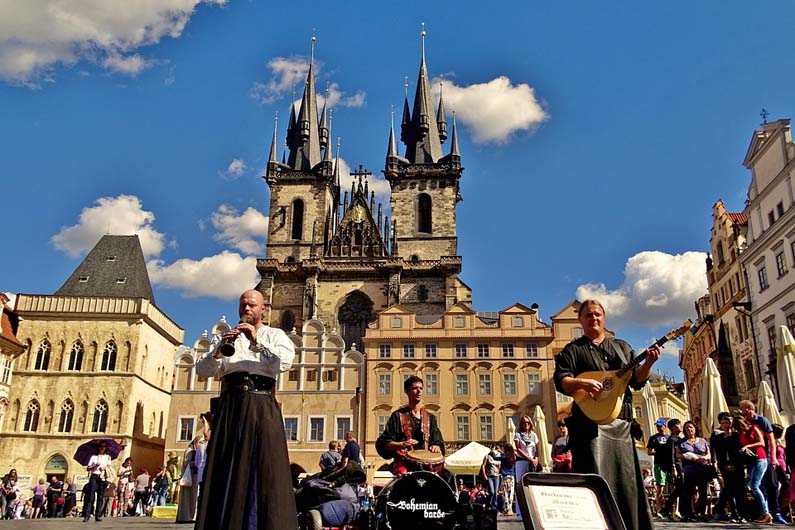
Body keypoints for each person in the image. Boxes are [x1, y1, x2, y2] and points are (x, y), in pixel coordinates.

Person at [195, 289, 297, 530]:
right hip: (231, 405)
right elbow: (202, 370)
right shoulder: (227, 336)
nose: (247, 309)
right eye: (243, 305)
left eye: (252, 305)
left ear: (263, 309)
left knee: (265, 465)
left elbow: (282, 363)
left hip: (261, 403)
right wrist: (219, 350)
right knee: (224, 465)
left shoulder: (275, 335)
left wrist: (256, 341)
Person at [553, 299, 659, 530]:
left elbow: (637, 382)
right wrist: (582, 382)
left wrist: (648, 363)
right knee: (595, 478)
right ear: (580, 320)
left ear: (604, 317)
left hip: (621, 424)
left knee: (626, 483)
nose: (594, 318)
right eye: (589, 315)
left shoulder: (621, 348)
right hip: (589, 426)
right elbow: (562, 381)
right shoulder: (573, 350)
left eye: (598, 314)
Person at [375, 375, 446, 470]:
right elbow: (383, 444)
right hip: (405, 464)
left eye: (421, 388)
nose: (419, 391)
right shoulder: (398, 416)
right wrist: (402, 444)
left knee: (449, 477)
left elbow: (438, 442)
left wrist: (436, 446)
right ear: (407, 391)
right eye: (415, 388)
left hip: (427, 467)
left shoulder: (430, 418)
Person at [740, 399, 785, 523]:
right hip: (752, 458)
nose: (741, 411)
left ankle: (776, 512)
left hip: (765, 456)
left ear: (749, 408)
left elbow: (771, 440)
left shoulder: (761, 420)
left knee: (771, 485)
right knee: (759, 486)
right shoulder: (745, 422)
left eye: (742, 408)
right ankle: (764, 512)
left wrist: (774, 458)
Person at [735, 414, 771, 523]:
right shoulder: (740, 434)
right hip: (751, 461)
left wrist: (747, 446)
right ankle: (764, 513)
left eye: (741, 424)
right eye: (737, 426)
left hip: (760, 458)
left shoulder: (754, 428)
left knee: (754, 486)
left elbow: (762, 442)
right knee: (757, 486)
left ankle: (765, 513)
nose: (740, 427)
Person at [675, 420, 712, 522]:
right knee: (688, 492)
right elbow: (677, 454)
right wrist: (688, 457)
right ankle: (687, 513)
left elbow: (709, 454)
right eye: (687, 428)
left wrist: (704, 458)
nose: (689, 429)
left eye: (691, 427)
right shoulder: (681, 442)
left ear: (695, 429)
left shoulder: (703, 441)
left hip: (702, 469)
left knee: (703, 492)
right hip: (689, 470)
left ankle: (701, 513)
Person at [710, 412, 744, 522]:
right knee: (729, 490)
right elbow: (714, 451)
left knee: (739, 490)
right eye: (723, 423)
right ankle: (734, 514)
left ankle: (742, 514)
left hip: (737, 465)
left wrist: (735, 464)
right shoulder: (718, 437)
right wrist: (716, 462)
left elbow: (739, 452)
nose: (725, 425)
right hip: (724, 466)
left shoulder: (736, 436)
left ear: (731, 424)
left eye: (727, 423)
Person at [646, 418, 670, 517]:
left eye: (660, 425)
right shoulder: (653, 438)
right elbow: (649, 451)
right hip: (659, 465)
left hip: (669, 465)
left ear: (665, 426)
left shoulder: (670, 438)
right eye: (657, 426)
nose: (659, 428)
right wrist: (659, 452)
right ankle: (660, 509)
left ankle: (673, 510)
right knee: (660, 487)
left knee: (673, 487)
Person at [83, 440, 111, 522]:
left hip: (102, 477)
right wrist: (95, 465)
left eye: (104, 446)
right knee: (91, 496)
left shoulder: (108, 457)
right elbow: (88, 468)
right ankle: (87, 515)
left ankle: (98, 515)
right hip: (94, 476)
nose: (102, 448)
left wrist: (104, 468)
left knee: (100, 497)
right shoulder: (93, 457)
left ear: (106, 448)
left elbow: (109, 467)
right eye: (101, 446)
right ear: (98, 447)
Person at [514, 415, 539, 482]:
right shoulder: (517, 435)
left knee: (532, 481)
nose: (526, 424)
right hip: (521, 461)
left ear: (530, 423)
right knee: (520, 481)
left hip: (532, 463)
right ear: (521, 424)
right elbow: (518, 449)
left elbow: (536, 449)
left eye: (528, 422)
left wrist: (536, 459)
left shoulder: (534, 435)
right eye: (524, 422)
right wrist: (530, 459)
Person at [497, 443, 517, 515]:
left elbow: (495, 458)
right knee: (511, 492)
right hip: (511, 477)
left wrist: (493, 452)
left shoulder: (504, 457)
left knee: (506, 493)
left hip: (506, 477)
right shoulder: (513, 456)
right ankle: (510, 509)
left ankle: (507, 509)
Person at [480, 446, 501, 511]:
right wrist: (485, 475)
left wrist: (499, 472)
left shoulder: (498, 456)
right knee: (491, 492)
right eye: (495, 448)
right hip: (490, 476)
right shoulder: (487, 456)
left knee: (495, 492)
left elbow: (500, 466)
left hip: (496, 476)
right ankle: (488, 504)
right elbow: (483, 465)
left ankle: (493, 507)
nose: (495, 449)